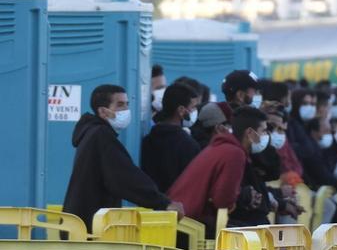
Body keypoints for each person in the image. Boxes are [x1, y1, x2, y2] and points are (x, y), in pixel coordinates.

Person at [63, 84, 182, 229]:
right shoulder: (101, 136)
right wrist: (163, 203)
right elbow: (124, 177)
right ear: (103, 112)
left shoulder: (92, 132)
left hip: (80, 224)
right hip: (89, 227)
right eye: (120, 105)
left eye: (127, 104)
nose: (126, 110)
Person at [170, 106, 267, 234]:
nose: (266, 136)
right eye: (263, 131)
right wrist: (244, 198)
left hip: (181, 219)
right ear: (249, 133)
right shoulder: (235, 154)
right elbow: (223, 201)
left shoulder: (221, 147)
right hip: (190, 226)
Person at [141, 82, 201, 193]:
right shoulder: (188, 145)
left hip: (149, 206)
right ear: (181, 110)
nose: (195, 112)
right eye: (193, 107)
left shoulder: (147, 140)